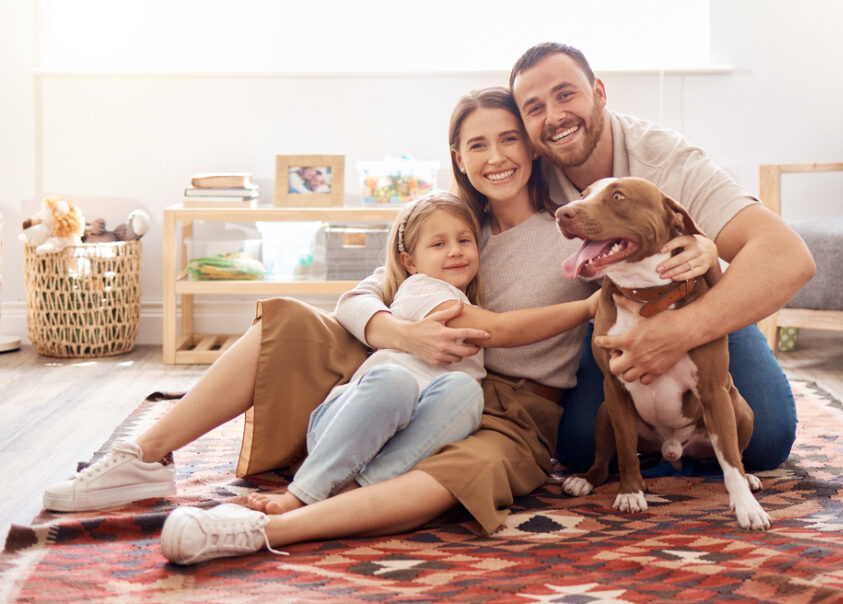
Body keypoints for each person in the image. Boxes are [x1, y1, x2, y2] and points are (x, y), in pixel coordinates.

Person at [44, 85, 721, 565]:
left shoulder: (583, 220)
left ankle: (267, 528)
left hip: (513, 408)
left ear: (533, 149)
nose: (496, 157)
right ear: (457, 157)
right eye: (477, 145)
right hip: (411, 364)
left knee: (464, 473)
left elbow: (661, 250)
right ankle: (143, 460)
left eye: (510, 139)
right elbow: (362, 294)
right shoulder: (449, 223)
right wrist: (400, 333)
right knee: (289, 322)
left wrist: (709, 249)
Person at [507, 42, 816, 474]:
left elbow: (789, 256)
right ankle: (665, 452)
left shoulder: (665, 160)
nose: (554, 116)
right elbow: (432, 236)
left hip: (693, 304)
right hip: (609, 318)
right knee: (577, 445)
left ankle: (676, 449)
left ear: (599, 92)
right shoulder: (515, 170)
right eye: (534, 107)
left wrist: (682, 329)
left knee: (764, 437)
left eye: (565, 94)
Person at [243, 191, 596, 516]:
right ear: (410, 262)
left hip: (408, 437)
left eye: (464, 240)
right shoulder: (421, 290)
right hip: (349, 423)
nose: (455, 251)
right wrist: (585, 308)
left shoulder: (463, 293)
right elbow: (499, 330)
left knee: (467, 392)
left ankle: (360, 486)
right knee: (396, 382)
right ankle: (303, 492)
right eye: (439, 244)